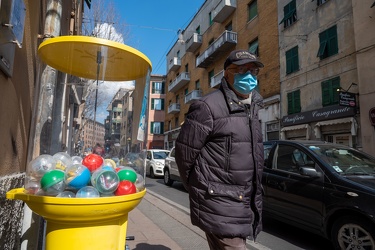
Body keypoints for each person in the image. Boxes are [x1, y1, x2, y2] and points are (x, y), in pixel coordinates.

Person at [175, 49, 265, 250]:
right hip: (219, 202)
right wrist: (200, 188)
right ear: (226, 74)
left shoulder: (253, 109)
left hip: (241, 202)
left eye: (253, 70)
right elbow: (184, 154)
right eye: (241, 69)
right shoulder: (207, 106)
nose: (249, 76)